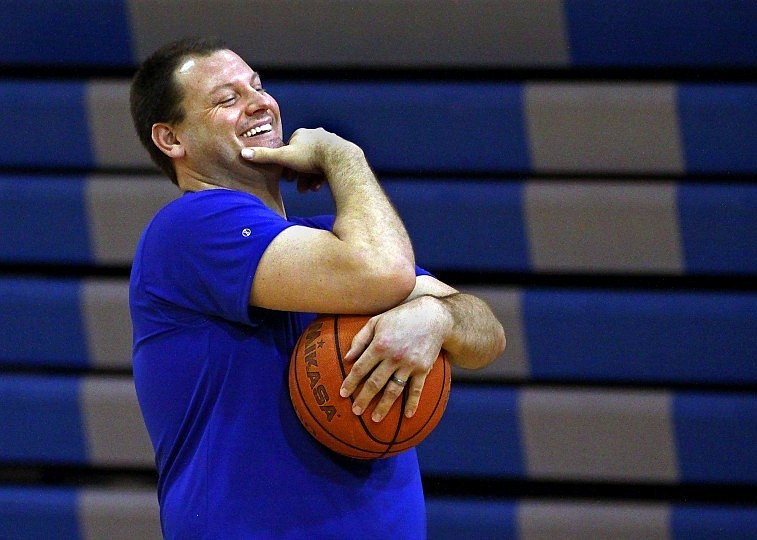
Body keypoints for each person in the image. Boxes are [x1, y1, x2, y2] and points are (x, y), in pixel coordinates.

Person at [128, 36, 506, 539]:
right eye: (227, 98)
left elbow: (487, 337)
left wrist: (439, 318)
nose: (259, 103)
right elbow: (385, 273)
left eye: (257, 87)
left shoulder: (331, 242)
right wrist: (339, 155)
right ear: (172, 140)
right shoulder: (192, 228)